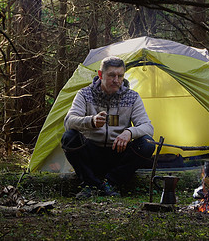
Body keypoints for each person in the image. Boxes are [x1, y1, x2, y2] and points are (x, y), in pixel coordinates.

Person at [61, 56, 156, 199]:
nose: (117, 80)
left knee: (147, 144)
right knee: (69, 137)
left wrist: (130, 132)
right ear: (100, 75)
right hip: (91, 152)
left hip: (118, 152)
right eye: (111, 75)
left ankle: (111, 182)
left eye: (120, 76)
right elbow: (69, 121)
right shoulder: (85, 94)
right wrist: (91, 121)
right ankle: (91, 184)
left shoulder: (132, 97)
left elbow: (148, 127)